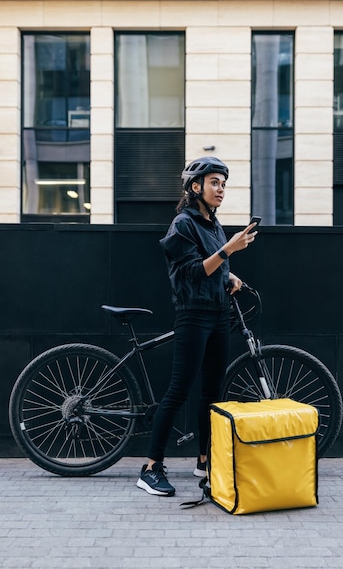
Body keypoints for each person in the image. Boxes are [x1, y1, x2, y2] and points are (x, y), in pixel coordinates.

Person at [136, 156, 258, 497]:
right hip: (193, 313)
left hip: (219, 313)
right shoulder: (183, 224)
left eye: (223, 184)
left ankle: (205, 460)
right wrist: (228, 250)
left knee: (211, 394)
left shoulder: (213, 224)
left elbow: (213, 265)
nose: (220, 189)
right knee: (177, 391)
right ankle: (150, 468)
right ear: (196, 187)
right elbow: (190, 271)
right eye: (214, 183)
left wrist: (230, 274)